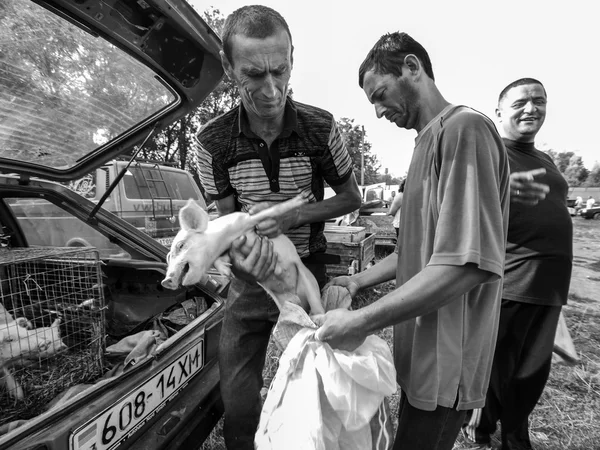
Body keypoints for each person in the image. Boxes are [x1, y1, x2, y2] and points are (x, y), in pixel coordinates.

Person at [313, 32, 509, 450]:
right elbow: (413, 252)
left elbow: (464, 264)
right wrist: (357, 282)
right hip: (422, 354)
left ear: (412, 68)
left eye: (381, 95)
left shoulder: (464, 130)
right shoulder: (424, 143)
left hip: (446, 360)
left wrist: (362, 320)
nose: (380, 111)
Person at [191, 5, 362, 449]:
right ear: (229, 68)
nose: (271, 90)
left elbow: (351, 199)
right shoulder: (211, 142)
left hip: (308, 273)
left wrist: (295, 216)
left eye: (279, 70)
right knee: (239, 399)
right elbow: (224, 220)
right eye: (253, 74)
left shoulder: (320, 128)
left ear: (291, 58)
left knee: (314, 392)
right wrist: (233, 248)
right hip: (249, 285)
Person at [460, 78, 573, 450]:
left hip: (549, 286)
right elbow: (463, 202)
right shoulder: (492, 154)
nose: (531, 108)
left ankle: (515, 435)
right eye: (521, 102)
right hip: (511, 281)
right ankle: (478, 428)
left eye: (539, 101)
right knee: (496, 370)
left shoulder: (545, 159)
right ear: (499, 112)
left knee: (532, 374)